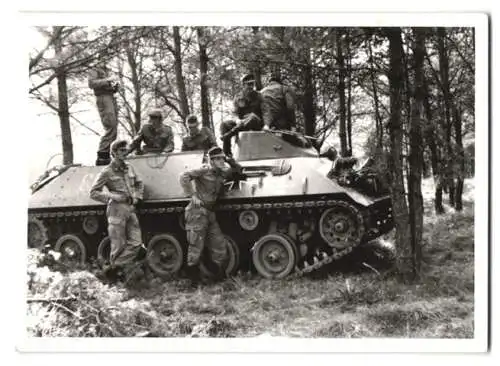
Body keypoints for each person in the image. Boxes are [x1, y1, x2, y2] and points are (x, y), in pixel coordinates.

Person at [179, 146, 244, 286]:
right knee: (196, 245)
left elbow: (239, 171)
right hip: (197, 211)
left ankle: (218, 276)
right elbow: (184, 176)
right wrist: (192, 195)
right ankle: (193, 280)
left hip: (210, 213)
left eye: (222, 158)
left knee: (219, 245)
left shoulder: (222, 173)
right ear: (212, 160)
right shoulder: (204, 170)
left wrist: (230, 160)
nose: (221, 161)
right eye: (218, 159)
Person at [90, 140, 146, 283]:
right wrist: (112, 197)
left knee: (136, 243)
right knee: (118, 245)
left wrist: (137, 198)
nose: (124, 153)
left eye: (125, 150)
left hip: (130, 208)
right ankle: (116, 280)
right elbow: (94, 192)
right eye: (121, 151)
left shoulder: (129, 168)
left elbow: (140, 183)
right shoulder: (107, 171)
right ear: (114, 153)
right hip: (116, 210)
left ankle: (112, 269)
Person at [220, 73, 264, 157]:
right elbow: (234, 112)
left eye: (252, 84)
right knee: (224, 124)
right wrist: (237, 120)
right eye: (249, 84)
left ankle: (229, 135)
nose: (251, 86)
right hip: (242, 123)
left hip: (255, 123)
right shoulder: (238, 97)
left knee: (252, 117)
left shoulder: (259, 96)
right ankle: (227, 153)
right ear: (243, 85)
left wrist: (267, 125)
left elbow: (266, 111)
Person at [88, 60, 120, 166]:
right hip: (103, 98)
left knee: (114, 127)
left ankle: (105, 155)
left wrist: (115, 86)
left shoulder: (107, 71)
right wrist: (108, 80)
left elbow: (111, 86)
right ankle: (102, 156)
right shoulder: (94, 69)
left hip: (110, 97)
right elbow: (91, 83)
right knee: (110, 125)